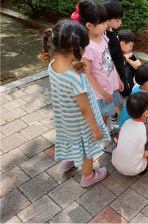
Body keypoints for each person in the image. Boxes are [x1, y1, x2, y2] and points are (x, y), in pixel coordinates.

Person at [38, 20, 109, 187]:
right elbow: (85, 109)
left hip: (65, 117)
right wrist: (95, 128)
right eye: (83, 47)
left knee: (72, 140)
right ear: (74, 49)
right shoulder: (75, 78)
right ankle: (88, 176)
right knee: (87, 148)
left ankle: (68, 161)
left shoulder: (52, 65)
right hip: (82, 123)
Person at [73, 0, 124, 153]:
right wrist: (102, 92)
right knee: (102, 116)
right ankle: (103, 141)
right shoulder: (87, 47)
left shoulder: (103, 37)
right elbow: (86, 73)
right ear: (89, 25)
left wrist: (118, 78)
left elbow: (109, 60)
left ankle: (108, 130)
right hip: (101, 92)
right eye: (102, 23)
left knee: (109, 113)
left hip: (111, 84)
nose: (106, 26)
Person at [112, 92, 148, 175]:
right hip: (134, 169)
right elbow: (146, 153)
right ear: (146, 113)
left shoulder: (126, 123)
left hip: (116, 162)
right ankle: (143, 167)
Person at [118, 61, 148, 135]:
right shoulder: (147, 100)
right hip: (129, 129)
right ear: (147, 83)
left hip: (123, 122)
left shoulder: (137, 88)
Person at [101, 0, 130, 97]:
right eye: (117, 20)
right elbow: (109, 59)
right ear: (107, 19)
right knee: (121, 93)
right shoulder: (104, 36)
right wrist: (117, 78)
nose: (120, 23)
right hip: (114, 72)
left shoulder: (112, 29)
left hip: (120, 67)